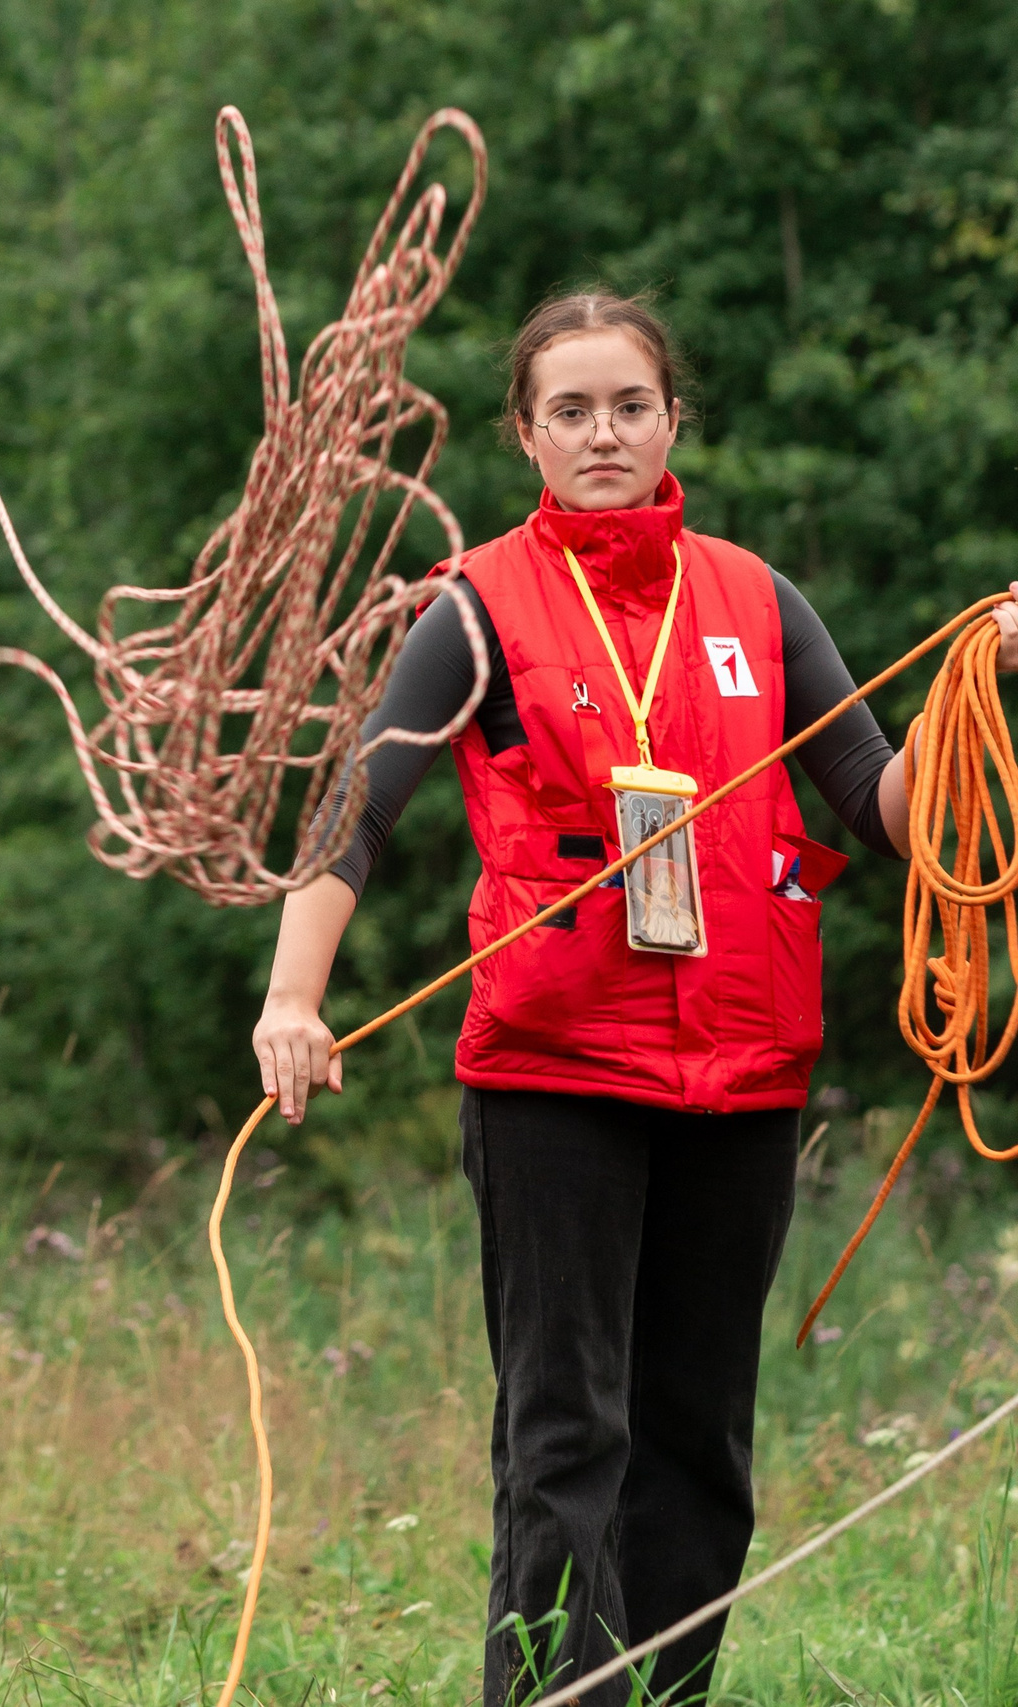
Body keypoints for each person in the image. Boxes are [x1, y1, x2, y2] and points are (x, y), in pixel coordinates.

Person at [250, 288, 1018, 1706]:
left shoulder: (756, 595)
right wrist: (293, 1000)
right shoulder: (475, 605)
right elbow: (353, 811)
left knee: (698, 1439)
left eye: (628, 405)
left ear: (673, 419)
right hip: (553, 1075)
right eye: (570, 410)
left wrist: (975, 689)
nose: (603, 433)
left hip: (742, 1074)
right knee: (565, 1436)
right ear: (525, 435)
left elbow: (882, 807)